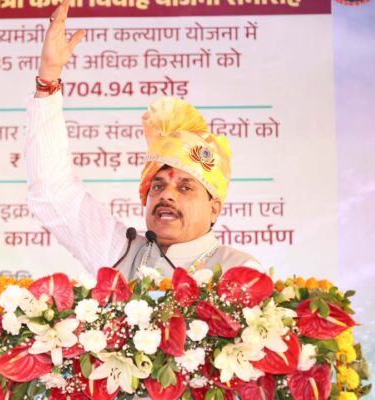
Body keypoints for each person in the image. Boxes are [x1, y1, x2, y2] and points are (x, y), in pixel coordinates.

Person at [24, 0, 258, 279]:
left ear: (214, 209)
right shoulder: (121, 252)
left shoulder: (238, 269)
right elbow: (52, 192)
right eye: (157, 186)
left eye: (185, 188)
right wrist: (48, 78)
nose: (166, 195)